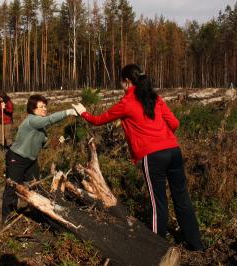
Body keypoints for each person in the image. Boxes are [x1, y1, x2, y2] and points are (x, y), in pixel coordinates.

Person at [72, 64, 204, 251]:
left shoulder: (126, 103)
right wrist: (163, 137)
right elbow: (175, 122)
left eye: (120, 82)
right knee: (182, 198)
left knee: (158, 203)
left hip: (153, 157)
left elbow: (99, 120)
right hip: (174, 151)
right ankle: (196, 244)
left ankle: (157, 248)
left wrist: (83, 112)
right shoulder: (155, 98)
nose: (120, 85)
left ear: (126, 81)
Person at [1, 94, 78, 223]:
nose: (44, 109)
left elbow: (46, 144)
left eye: (45, 106)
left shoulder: (41, 128)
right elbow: (49, 120)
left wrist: (64, 137)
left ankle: (36, 213)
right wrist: (68, 112)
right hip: (17, 159)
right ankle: (7, 218)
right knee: (12, 188)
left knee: (35, 185)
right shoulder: (32, 120)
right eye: (41, 107)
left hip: (31, 161)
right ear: (33, 109)